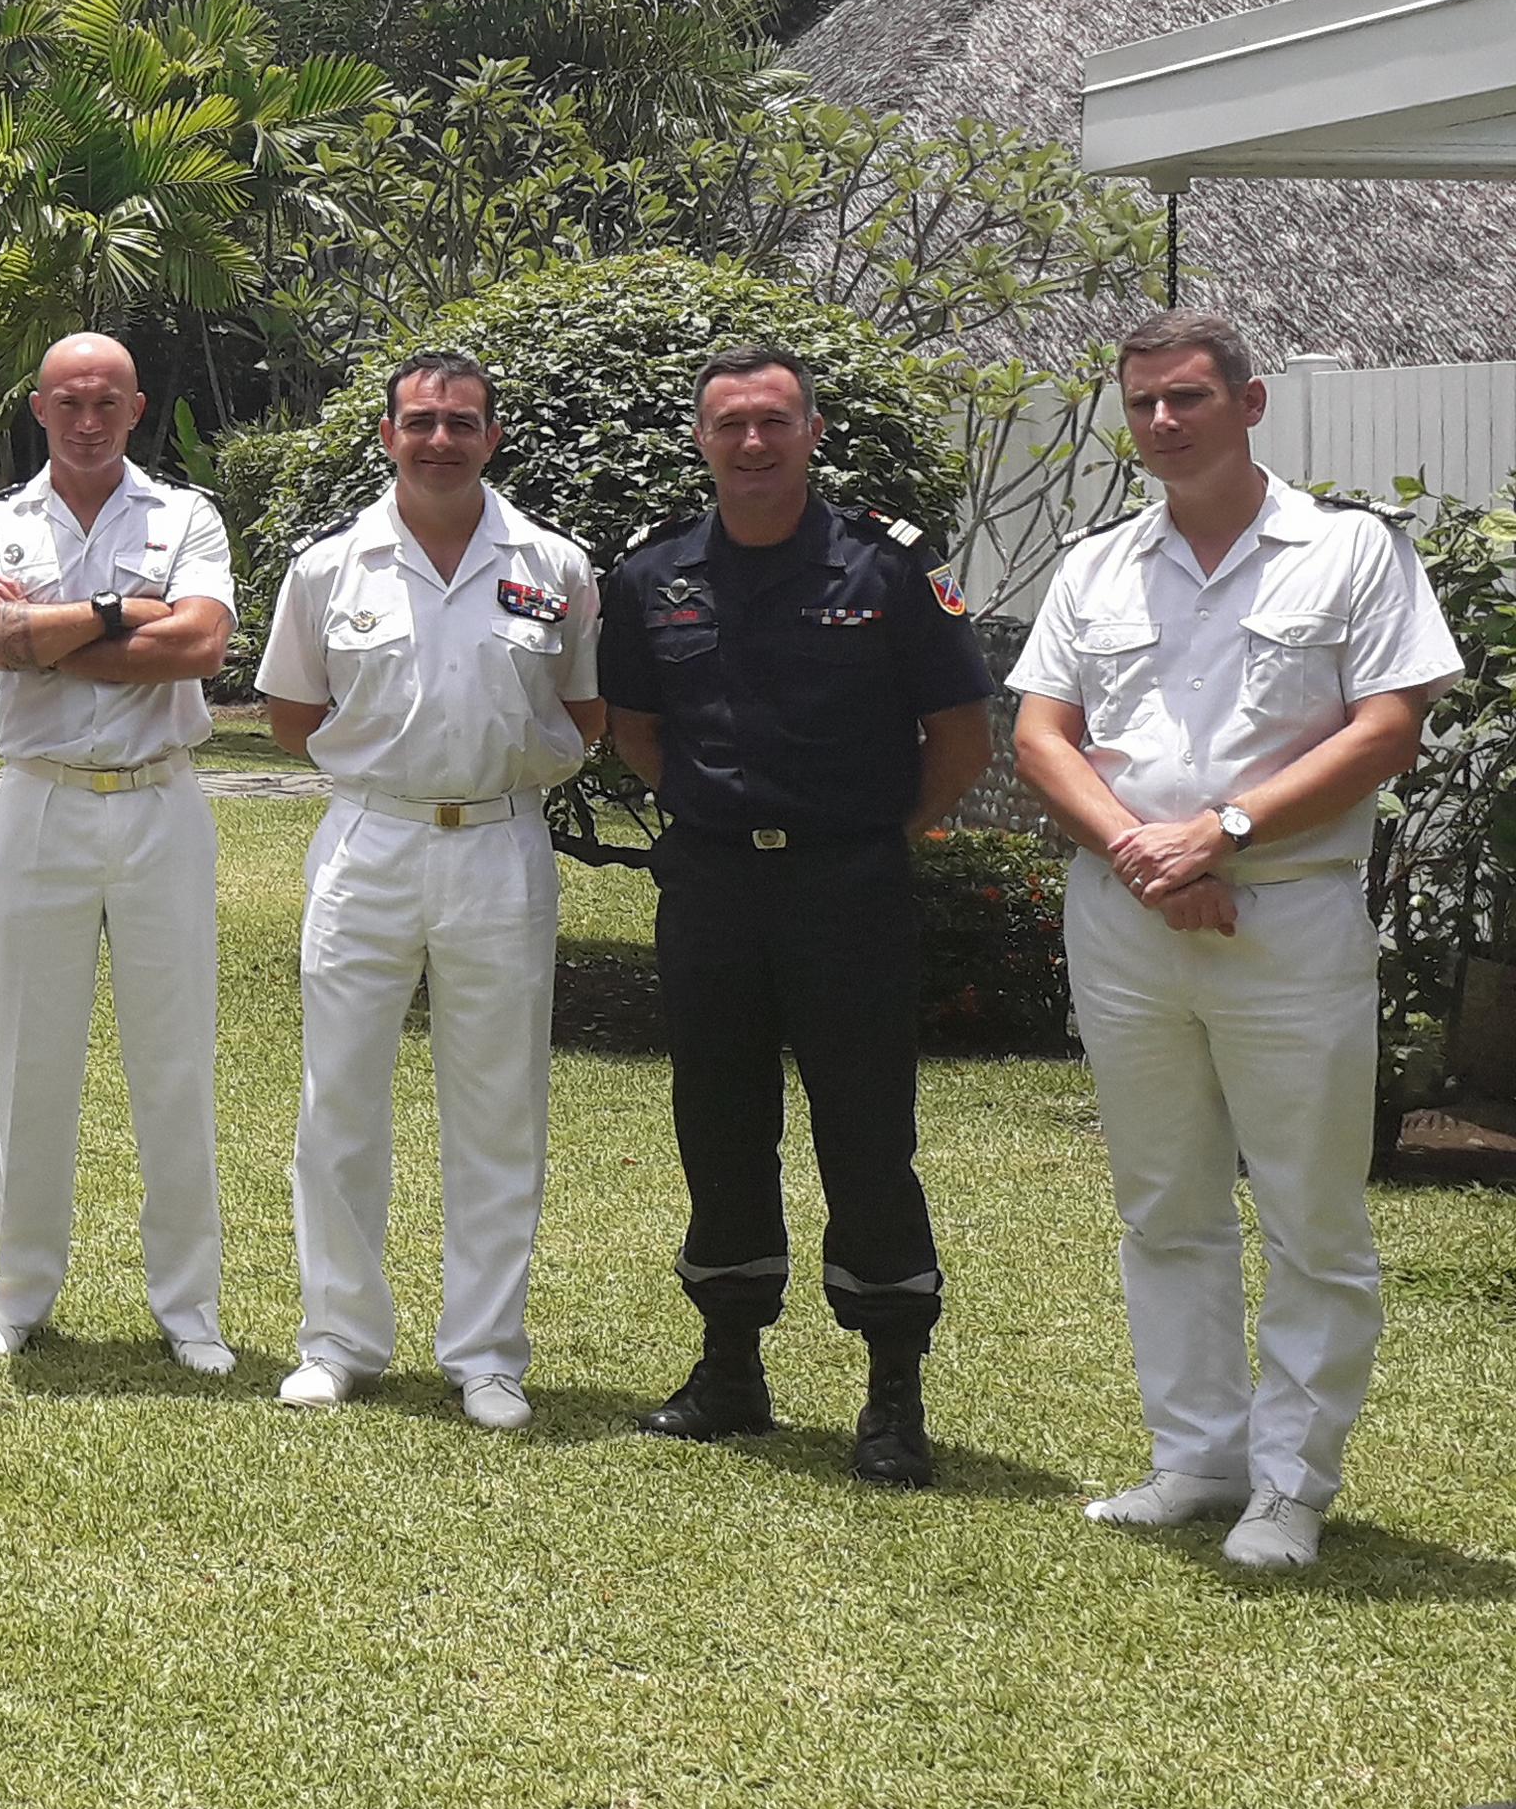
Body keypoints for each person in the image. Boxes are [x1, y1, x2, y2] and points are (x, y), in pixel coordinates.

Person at [1011, 311, 1455, 1573]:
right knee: (1163, 1202)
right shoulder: (1098, 564)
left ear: (1249, 405)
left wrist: (1221, 833)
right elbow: (1041, 733)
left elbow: (1386, 728)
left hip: (1286, 913)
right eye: (1143, 401)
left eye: (1189, 397)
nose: (1163, 421)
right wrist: (1142, 855)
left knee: (1311, 1211)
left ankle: (1289, 1487)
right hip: (1127, 915)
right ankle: (1195, 1458)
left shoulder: (1349, 551)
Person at [598, 345, 994, 1487]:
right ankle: (730, 1368)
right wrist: (724, 814)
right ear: (700, 440)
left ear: (812, 433)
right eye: (730, 424)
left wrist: (862, 835)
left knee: (866, 1131)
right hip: (713, 886)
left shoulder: (887, 567)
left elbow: (961, 740)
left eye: (774, 421)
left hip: (846, 890)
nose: (753, 442)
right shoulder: (653, 574)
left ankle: (892, 1388)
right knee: (718, 1122)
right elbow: (636, 730)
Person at [254, 350, 603, 1430]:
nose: (439, 439)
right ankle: (337, 1340)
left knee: (500, 1106)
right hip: (371, 843)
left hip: (499, 844)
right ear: (387, 435)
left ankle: (487, 1354)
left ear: (492, 437)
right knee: (340, 1100)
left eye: (461, 422)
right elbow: (291, 716)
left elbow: (584, 710)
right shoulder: (329, 567)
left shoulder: (555, 563)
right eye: (420, 421)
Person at [0, 332, 241, 1370]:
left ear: (135, 408)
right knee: (33, 1060)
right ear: (38, 409)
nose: (85, 420)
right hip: (40, 803)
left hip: (161, 804)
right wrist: (120, 614)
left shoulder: (185, 515)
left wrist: (46, 636)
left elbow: (201, 645)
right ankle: (17, 1293)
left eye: (105, 402)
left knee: (174, 1062)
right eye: (67, 402)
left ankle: (189, 1306)